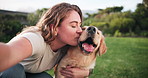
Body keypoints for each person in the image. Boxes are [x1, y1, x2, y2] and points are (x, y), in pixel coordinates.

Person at [0, 2, 91, 78]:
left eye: (80, 25)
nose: (80, 30)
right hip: (7, 72)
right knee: (15, 70)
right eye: (73, 26)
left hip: (29, 73)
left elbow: (85, 62)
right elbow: (8, 52)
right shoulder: (35, 39)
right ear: (54, 28)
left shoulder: (67, 46)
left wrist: (87, 72)